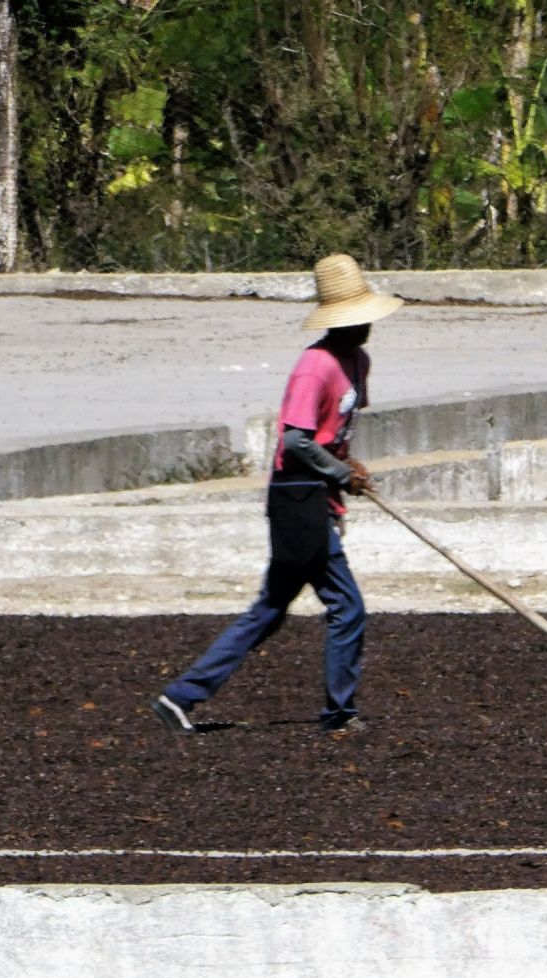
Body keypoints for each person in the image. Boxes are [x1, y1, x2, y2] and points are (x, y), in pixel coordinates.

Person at [151, 253, 403, 735]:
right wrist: (338, 474)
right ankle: (340, 712)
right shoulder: (315, 367)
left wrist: (348, 467)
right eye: (358, 317)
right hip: (296, 498)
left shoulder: (358, 362)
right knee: (346, 606)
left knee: (269, 609)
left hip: (319, 495)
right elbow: (295, 440)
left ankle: (179, 697)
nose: (367, 326)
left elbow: (335, 434)